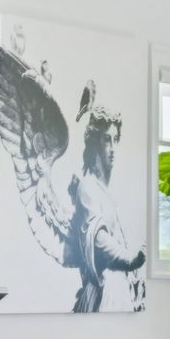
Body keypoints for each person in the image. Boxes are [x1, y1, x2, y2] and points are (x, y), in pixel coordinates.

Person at [64, 90, 146, 312]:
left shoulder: (110, 194)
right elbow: (99, 241)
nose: (112, 149)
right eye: (107, 140)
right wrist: (132, 259)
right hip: (105, 291)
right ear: (95, 144)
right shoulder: (87, 187)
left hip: (121, 291)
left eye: (115, 140)